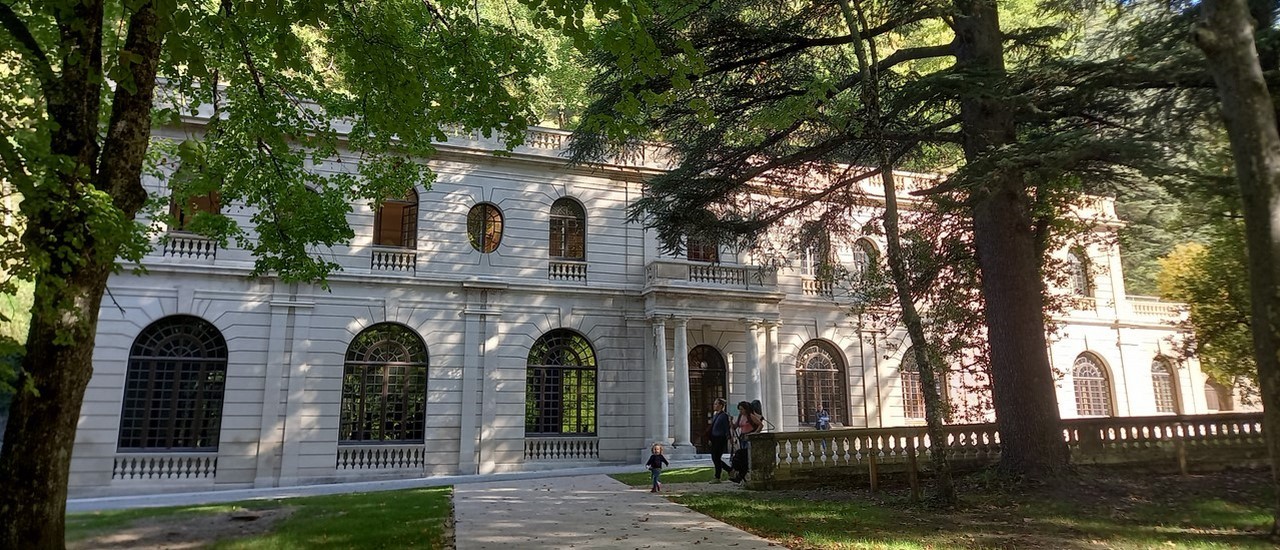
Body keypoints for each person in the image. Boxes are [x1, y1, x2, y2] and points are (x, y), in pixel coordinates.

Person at [729, 401, 763, 483]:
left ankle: (740, 476)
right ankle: (740, 476)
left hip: (749, 438)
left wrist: (755, 434)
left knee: (745, 457)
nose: (740, 411)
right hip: (742, 438)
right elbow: (735, 426)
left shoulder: (750, 416)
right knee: (742, 457)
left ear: (746, 409)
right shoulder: (741, 416)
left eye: (742, 409)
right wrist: (730, 421)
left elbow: (760, 425)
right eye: (739, 409)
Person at [707, 398, 732, 483]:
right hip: (714, 438)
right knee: (715, 458)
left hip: (720, 439)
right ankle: (730, 470)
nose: (714, 405)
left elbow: (726, 428)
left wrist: (729, 438)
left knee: (716, 458)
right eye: (714, 404)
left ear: (721, 405)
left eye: (716, 404)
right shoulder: (715, 415)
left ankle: (717, 477)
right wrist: (710, 438)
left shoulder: (724, 415)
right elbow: (713, 428)